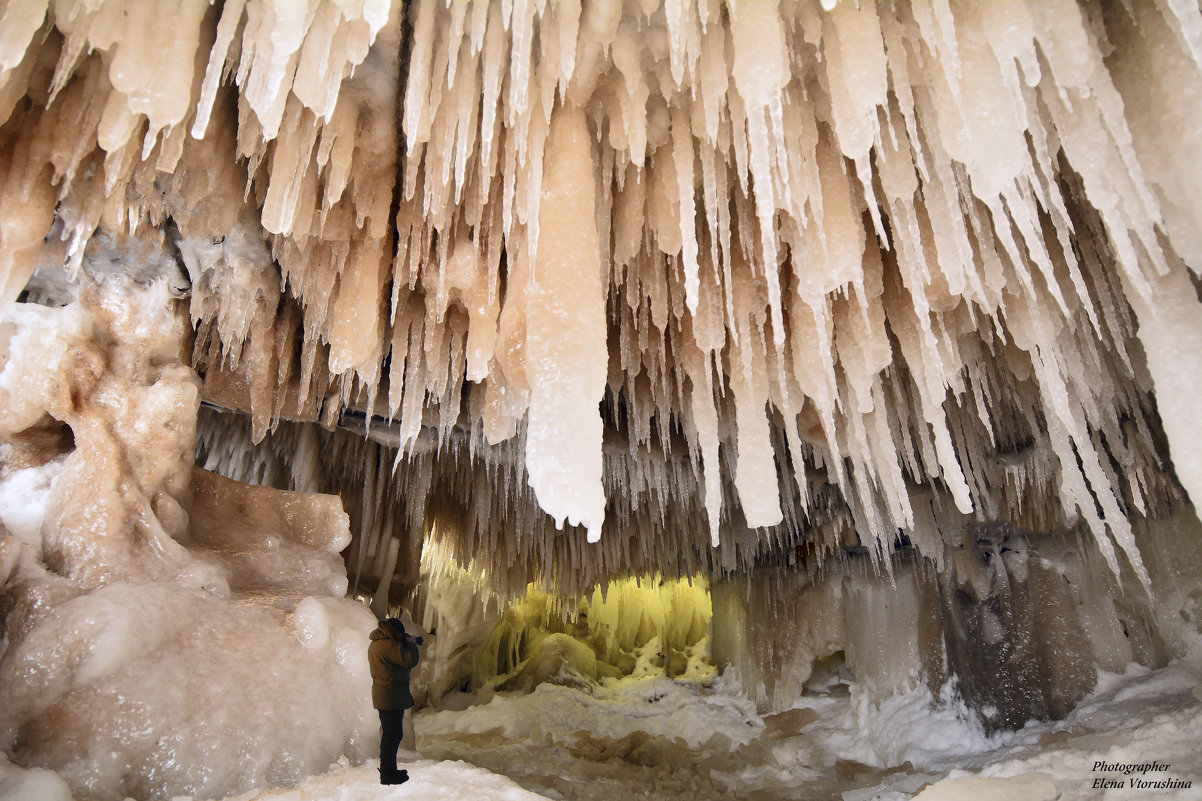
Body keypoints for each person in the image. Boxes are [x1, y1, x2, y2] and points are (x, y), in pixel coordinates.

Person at [368, 617, 422, 785]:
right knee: (392, 735)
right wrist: (411, 642)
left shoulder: (377, 643)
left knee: (391, 734)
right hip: (389, 695)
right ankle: (387, 773)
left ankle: (389, 770)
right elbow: (409, 660)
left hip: (387, 694)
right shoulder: (385, 645)